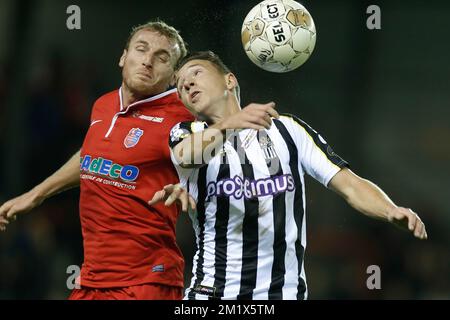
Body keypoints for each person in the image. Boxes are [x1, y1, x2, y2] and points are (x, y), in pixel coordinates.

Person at [149, 51, 428, 300]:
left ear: (229, 80)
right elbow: (186, 156)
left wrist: (390, 210)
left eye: (196, 72)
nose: (186, 84)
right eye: (180, 84)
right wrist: (230, 124)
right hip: (213, 293)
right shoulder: (187, 134)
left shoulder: (288, 131)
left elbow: (350, 185)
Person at [0, 20, 195, 300]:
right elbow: (91, 155)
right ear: (123, 57)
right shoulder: (103, 104)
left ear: (174, 76)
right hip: (92, 278)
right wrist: (35, 195)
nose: (148, 62)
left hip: (145, 282)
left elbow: (207, 152)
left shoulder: (183, 120)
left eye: (162, 58)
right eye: (141, 50)